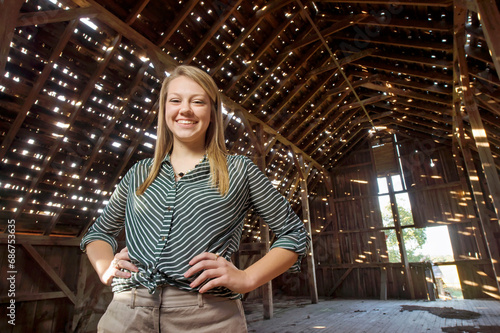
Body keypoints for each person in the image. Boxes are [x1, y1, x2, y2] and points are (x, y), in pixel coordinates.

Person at [80, 65, 310, 332]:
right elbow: (98, 232)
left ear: (212, 113)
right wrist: (105, 267)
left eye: (197, 101)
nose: (185, 109)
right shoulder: (139, 172)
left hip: (207, 317)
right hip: (126, 313)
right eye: (175, 100)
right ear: (165, 109)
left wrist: (247, 278)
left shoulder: (238, 170)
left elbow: (293, 233)